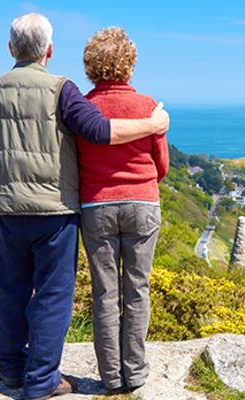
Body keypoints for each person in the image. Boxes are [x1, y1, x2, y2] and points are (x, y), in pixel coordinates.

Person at [0, 13, 169, 400]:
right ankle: (46, 379)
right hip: (54, 211)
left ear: (11, 48)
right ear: (49, 50)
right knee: (54, 293)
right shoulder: (61, 90)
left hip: (8, 210)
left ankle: (11, 368)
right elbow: (99, 131)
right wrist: (153, 124)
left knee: (11, 290)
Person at [77, 27, 168, 394]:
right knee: (138, 289)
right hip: (143, 200)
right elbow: (161, 165)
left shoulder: (81, 107)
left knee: (104, 293)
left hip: (96, 205)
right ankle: (136, 372)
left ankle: (111, 377)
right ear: (129, 63)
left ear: (90, 66)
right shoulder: (148, 107)